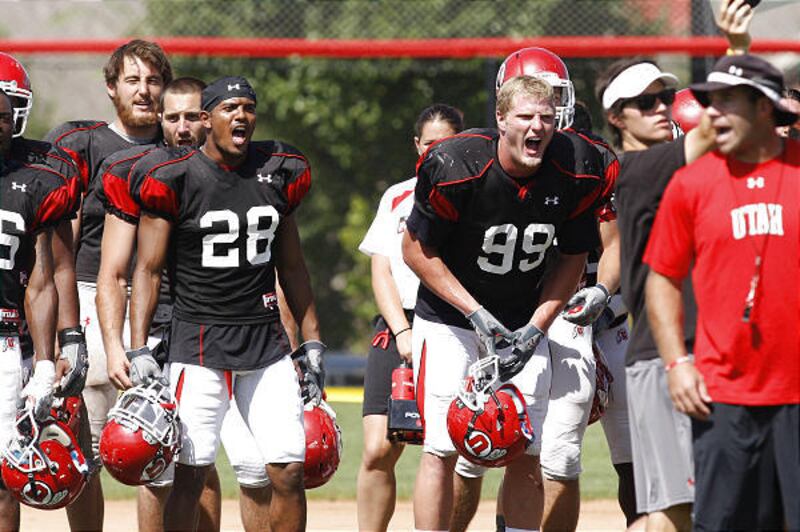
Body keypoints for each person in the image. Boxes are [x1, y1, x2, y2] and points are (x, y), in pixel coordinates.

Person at [403, 76, 615, 532]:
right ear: (501, 119)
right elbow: (415, 251)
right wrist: (476, 314)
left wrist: (538, 327)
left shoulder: (576, 164)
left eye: (546, 117)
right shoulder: (456, 163)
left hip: (523, 321)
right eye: (525, 116)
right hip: (451, 320)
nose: (537, 127)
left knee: (528, 448)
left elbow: (574, 255)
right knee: (440, 446)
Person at [128, 76, 320, 530]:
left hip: (265, 339)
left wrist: (311, 341)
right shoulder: (172, 178)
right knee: (190, 475)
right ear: (205, 118)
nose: (242, 116)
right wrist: (138, 348)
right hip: (198, 341)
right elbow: (148, 270)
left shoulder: (279, 169)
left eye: (249, 108)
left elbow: (292, 266)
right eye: (230, 107)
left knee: (289, 469)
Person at [95, 77, 270, 531]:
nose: (184, 127)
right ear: (160, 120)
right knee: (164, 466)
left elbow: (273, 269)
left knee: (254, 467)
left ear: (208, 117)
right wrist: (118, 345)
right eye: (173, 118)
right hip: (161, 331)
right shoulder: (141, 173)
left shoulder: (244, 173)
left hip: (233, 330)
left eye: (193, 116)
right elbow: (115, 271)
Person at [605, 2, 751, 529]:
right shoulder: (641, 170)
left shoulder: (674, 171)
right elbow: (716, 129)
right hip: (661, 357)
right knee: (676, 510)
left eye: (665, 97)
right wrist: (735, 47)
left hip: (697, 352)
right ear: (616, 118)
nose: (662, 107)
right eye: (644, 102)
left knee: (680, 507)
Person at [644, 54, 799, 531]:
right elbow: (662, 279)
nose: (710, 112)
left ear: (765, 108)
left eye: (726, 100)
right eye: (709, 100)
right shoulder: (691, 183)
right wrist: (676, 363)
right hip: (721, 394)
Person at [44, 39, 173, 530]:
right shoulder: (86, 145)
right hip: (92, 296)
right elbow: (60, 246)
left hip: (165, 304)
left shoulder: (175, 146)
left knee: (160, 450)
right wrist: (64, 331)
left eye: (153, 80)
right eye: (133, 80)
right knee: (88, 452)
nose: (144, 91)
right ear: (111, 87)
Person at [356, 103, 464, 531]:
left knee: (444, 449)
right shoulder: (398, 195)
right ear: (417, 146)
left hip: (452, 325)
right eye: (431, 143)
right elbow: (381, 267)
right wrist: (401, 330)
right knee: (379, 449)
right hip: (398, 323)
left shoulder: (475, 194)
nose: (438, 151)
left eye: (448, 142)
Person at [0, 90, 75, 530]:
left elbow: (43, 281)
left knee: (5, 474)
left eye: (3, 117)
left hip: (5, 343)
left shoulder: (30, 184)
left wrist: (45, 363)